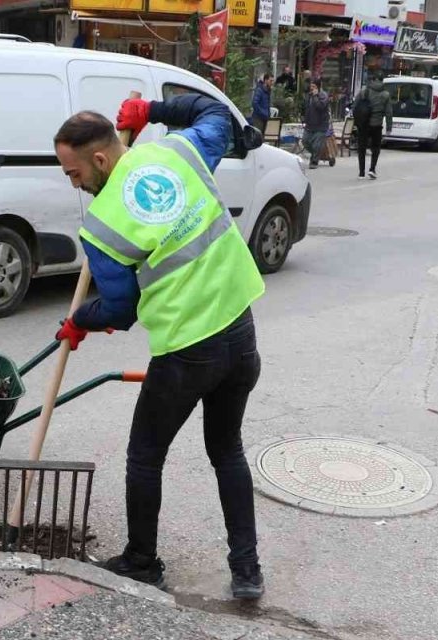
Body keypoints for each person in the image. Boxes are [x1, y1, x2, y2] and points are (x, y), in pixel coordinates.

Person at [51, 95, 267, 600]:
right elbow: (216, 115)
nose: (74, 183)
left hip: (189, 349)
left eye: (73, 172)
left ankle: (143, 562)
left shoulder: (102, 225)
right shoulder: (176, 153)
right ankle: (247, 571)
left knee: (145, 455)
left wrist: (81, 319)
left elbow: (120, 310)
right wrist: (153, 109)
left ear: (100, 159)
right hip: (240, 332)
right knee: (227, 449)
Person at [353, 75, 393, 179]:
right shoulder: (385, 94)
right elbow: (389, 112)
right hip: (377, 125)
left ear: (373, 79)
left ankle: (361, 172)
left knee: (361, 148)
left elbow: (355, 107)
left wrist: (357, 121)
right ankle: (372, 169)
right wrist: (389, 127)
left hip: (364, 125)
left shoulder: (364, 92)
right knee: (375, 149)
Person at [302, 80, 331, 169]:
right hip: (309, 124)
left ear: (318, 87)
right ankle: (316, 154)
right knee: (305, 141)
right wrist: (304, 118)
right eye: (311, 86)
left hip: (320, 125)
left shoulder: (323, 96)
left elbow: (320, 106)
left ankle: (314, 161)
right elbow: (306, 108)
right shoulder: (309, 96)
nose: (312, 88)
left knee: (317, 144)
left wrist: (315, 96)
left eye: (314, 86)